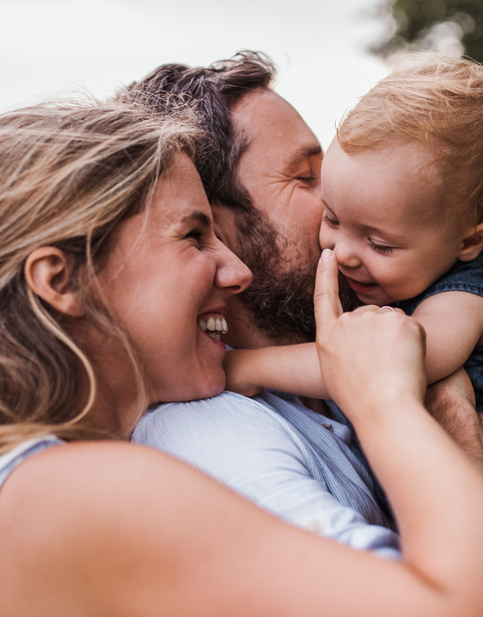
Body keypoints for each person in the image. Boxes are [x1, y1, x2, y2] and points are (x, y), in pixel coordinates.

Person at [2, 98, 483, 616]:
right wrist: (386, 397)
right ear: (62, 280)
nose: (236, 273)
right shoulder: (75, 489)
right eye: (192, 235)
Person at [125, 52, 482, 543]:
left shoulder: (402, 308)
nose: (345, 202)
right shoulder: (212, 433)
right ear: (214, 223)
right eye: (305, 178)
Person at [224, 53, 483, 413]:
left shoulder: (464, 297)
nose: (341, 252)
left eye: (380, 244)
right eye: (332, 219)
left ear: (469, 242)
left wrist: (253, 366)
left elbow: (385, 361)